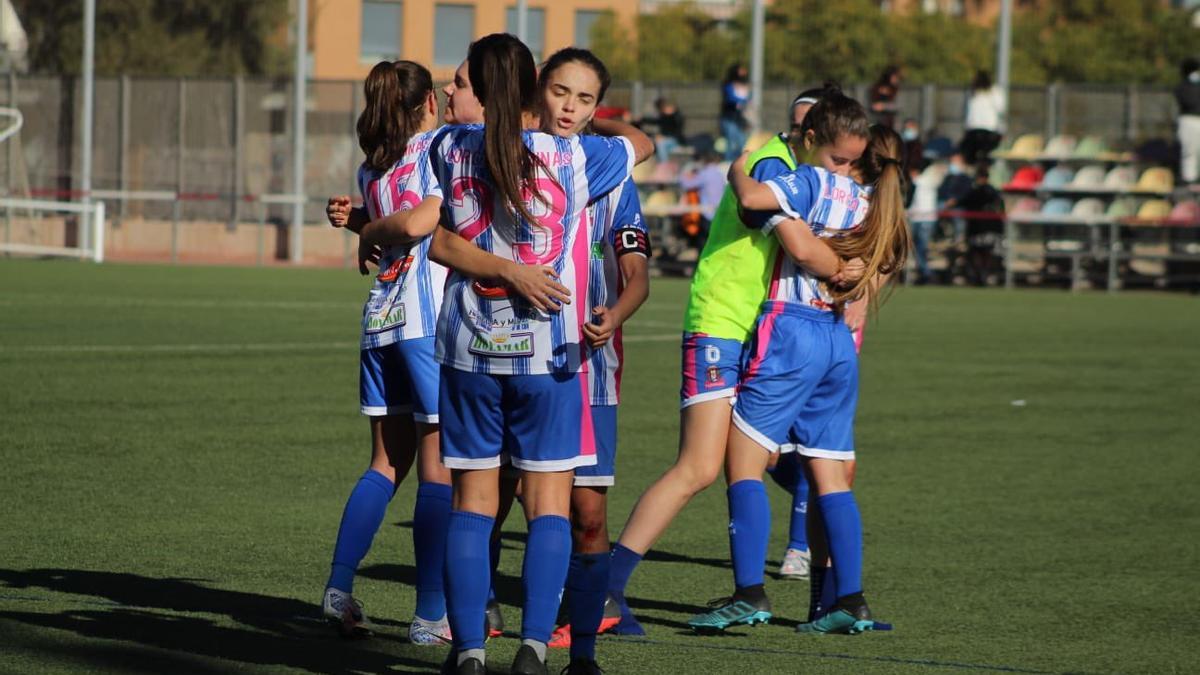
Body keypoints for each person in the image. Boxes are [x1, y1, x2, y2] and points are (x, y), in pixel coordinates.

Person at [360, 33, 653, 675]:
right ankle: (531, 648)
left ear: (482, 91)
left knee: (474, 505)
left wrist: (369, 233)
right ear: (533, 91)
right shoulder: (575, 157)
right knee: (549, 508)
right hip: (548, 349)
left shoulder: (444, 146)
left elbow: (425, 231)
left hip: (466, 346)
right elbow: (643, 146)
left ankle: (467, 651)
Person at [605, 87, 869, 636]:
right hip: (728, 325)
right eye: (804, 127)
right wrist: (847, 270)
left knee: (823, 471)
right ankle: (605, 590)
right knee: (701, 467)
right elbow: (798, 242)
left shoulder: (811, 172)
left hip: (778, 336)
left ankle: (825, 600)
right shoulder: (776, 163)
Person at [695, 123, 910, 635]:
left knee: (742, 464)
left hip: (791, 330)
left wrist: (739, 165)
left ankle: (748, 592)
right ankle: (850, 600)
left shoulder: (815, 181)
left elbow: (752, 197)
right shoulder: (877, 207)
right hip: (839, 343)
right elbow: (887, 263)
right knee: (831, 475)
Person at [523, 48, 652, 669]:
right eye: (560, 93)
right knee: (503, 500)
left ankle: (584, 651)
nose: (569, 108)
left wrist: (613, 315)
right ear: (538, 91)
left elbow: (637, 276)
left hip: (588, 367)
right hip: (513, 356)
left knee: (589, 515)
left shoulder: (612, 178)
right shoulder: (507, 159)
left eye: (584, 99)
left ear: (598, 110)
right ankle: (484, 626)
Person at [318, 60, 455, 645]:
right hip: (425, 322)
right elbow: (423, 220)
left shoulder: (371, 166)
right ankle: (429, 616)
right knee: (437, 469)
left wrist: (362, 225)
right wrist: (370, 230)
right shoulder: (438, 148)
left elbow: (385, 223)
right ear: (427, 103)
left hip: (382, 322)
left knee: (384, 463)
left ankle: (338, 589)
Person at [960, 70, 1005, 165]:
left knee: (972, 158)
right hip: (988, 129)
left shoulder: (973, 92)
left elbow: (966, 112)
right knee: (985, 157)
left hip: (975, 129)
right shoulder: (994, 92)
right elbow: (1001, 110)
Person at [719, 63, 751, 161]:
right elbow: (730, 98)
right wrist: (742, 101)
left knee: (742, 141)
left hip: (740, 118)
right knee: (732, 141)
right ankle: (728, 162)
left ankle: (739, 162)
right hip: (729, 117)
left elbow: (749, 98)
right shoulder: (728, 85)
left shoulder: (745, 86)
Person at [642, 97, 687, 163]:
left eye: (667, 108)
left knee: (661, 143)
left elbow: (677, 133)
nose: (665, 110)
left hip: (675, 141)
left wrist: (663, 137)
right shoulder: (664, 116)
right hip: (665, 140)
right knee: (654, 142)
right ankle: (658, 164)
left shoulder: (677, 117)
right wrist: (641, 119)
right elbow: (655, 121)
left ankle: (664, 165)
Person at [1177, 57, 1200, 186]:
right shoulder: (1185, 86)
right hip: (1190, 119)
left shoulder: (1183, 86)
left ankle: (1190, 180)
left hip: (1189, 121)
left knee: (1190, 152)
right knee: (1190, 152)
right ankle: (1191, 181)